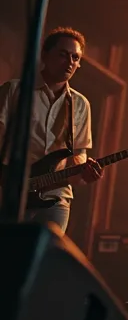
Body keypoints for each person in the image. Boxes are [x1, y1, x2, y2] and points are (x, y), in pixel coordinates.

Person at [0, 27, 103, 234]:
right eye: (63, 55)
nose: (70, 62)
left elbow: (78, 153)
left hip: (56, 196)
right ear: (45, 55)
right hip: (11, 191)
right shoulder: (14, 90)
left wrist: (84, 174)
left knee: (44, 259)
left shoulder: (80, 104)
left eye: (75, 57)